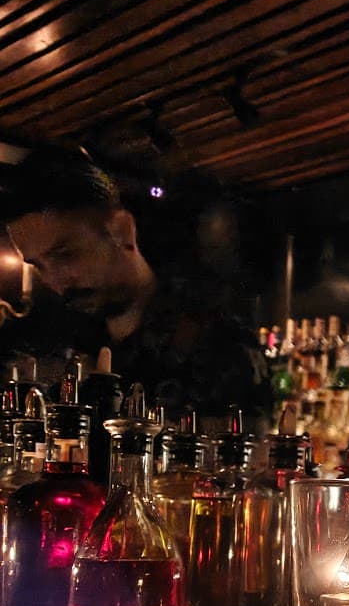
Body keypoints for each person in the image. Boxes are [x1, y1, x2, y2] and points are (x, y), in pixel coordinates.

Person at [0, 145, 269, 418]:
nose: (54, 280)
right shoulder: (57, 343)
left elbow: (248, 442)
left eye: (65, 255)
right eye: (39, 266)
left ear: (122, 231)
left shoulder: (217, 343)